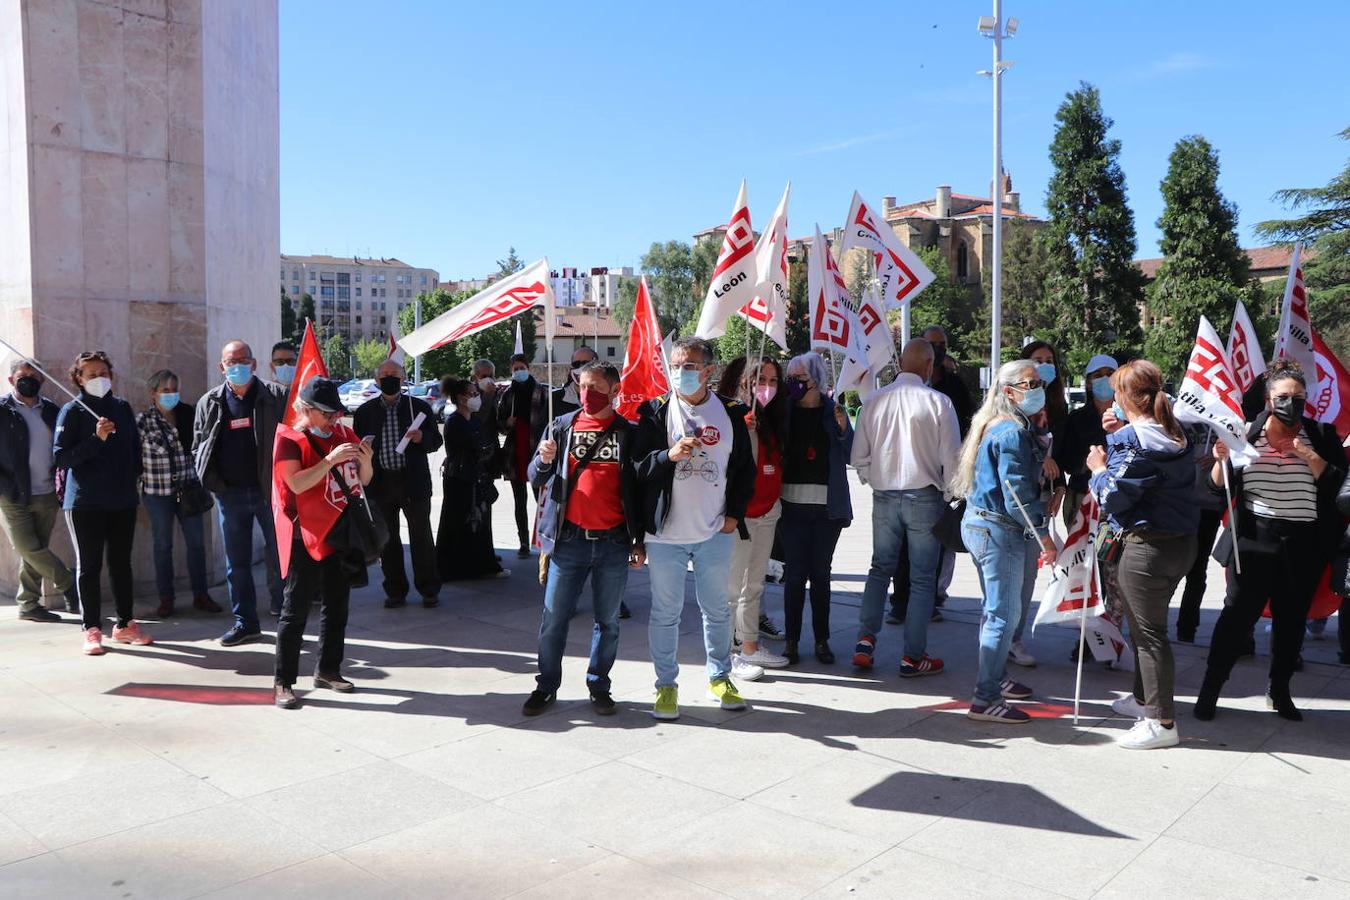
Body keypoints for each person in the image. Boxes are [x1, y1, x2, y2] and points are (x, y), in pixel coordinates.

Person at [1195, 359, 1348, 722]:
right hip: (1254, 539)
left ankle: (1279, 690)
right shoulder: (1245, 433)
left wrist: (1307, 455)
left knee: (1291, 621)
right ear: (1268, 399)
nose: (1290, 403)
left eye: (1297, 397)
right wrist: (1220, 458)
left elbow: (1339, 488)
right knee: (1235, 617)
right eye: (1283, 396)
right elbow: (1215, 486)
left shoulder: (1322, 436)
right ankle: (1211, 689)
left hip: (1303, 544)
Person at [634, 337, 755, 719]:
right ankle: (666, 686)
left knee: (717, 610)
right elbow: (636, 469)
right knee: (665, 614)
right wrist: (667, 456)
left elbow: (744, 470)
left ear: (708, 370)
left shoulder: (732, 413)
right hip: (665, 535)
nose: (680, 373)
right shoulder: (655, 412)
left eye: (688, 366)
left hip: (714, 532)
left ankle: (720, 677)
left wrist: (734, 515)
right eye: (675, 366)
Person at [1086, 360, 1198, 750]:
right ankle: (1142, 701)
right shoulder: (1176, 434)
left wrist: (1099, 468)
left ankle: (1161, 722)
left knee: (1149, 637)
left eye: (1116, 391)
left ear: (1126, 398)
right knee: (1144, 630)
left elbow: (1111, 497)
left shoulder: (1134, 441)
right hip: (1179, 545)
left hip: (1146, 548)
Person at [522, 362, 644, 716]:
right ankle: (546, 686)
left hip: (613, 543)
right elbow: (534, 475)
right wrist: (544, 460)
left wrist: (639, 541)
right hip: (569, 542)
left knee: (608, 621)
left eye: (595, 387)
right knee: (553, 619)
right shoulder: (562, 426)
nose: (587, 393)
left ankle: (599, 685)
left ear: (615, 390)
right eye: (583, 386)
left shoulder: (628, 433)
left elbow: (639, 490)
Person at [951, 359, 1054, 723]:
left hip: (982, 525)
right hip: (999, 531)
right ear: (1009, 392)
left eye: (1039, 382)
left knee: (994, 610)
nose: (1037, 388)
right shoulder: (1010, 431)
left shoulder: (996, 425)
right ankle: (986, 698)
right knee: (1002, 616)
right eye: (1029, 383)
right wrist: (1044, 537)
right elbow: (1016, 495)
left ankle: (994, 679)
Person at [852, 340, 958, 676]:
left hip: (885, 496)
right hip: (924, 496)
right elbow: (951, 459)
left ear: (899, 363)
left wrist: (875, 480)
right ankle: (913, 655)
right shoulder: (939, 402)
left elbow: (858, 457)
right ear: (929, 366)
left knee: (880, 568)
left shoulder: (873, 401)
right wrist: (947, 494)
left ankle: (865, 641)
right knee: (923, 579)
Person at [271, 377, 374, 709]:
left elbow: (362, 481)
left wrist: (366, 460)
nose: (335, 419)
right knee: (295, 608)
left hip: (339, 531)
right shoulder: (290, 439)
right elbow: (297, 484)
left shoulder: (345, 434)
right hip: (306, 534)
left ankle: (328, 670)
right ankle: (283, 682)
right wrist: (329, 461)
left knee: (337, 605)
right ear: (306, 410)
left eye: (338, 413)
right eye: (327, 414)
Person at [53, 351, 150, 655]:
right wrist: (96, 440)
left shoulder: (121, 408)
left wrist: (131, 480)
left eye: (103, 372)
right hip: (85, 502)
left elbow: (135, 451)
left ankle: (124, 624)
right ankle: (91, 628)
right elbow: (61, 457)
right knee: (89, 566)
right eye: (91, 374)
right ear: (78, 379)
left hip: (121, 500)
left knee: (121, 563)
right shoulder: (72, 411)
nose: (99, 378)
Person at [193, 340, 288, 644]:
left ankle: (286, 612)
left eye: (243, 360)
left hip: (268, 492)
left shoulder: (276, 397)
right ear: (222, 367)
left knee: (280, 555)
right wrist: (213, 481)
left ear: (254, 363)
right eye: (231, 362)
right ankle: (245, 621)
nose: (237, 367)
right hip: (230, 495)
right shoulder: (209, 402)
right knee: (237, 563)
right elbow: (199, 445)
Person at [889, 327, 974, 627]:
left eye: (942, 344)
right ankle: (900, 602)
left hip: (940, 482)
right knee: (902, 550)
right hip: (904, 480)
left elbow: (966, 432)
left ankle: (930, 601)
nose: (937, 350)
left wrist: (956, 484)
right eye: (932, 345)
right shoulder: (896, 390)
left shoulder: (954, 387)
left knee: (935, 548)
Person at [776, 352, 854, 665]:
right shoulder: (784, 411)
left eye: (801, 379)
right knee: (794, 574)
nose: (794, 384)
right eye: (790, 378)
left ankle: (822, 640)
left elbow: (852, 453)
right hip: (791, 506)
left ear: (816, 380)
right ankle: (791, 640)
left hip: (827, 509)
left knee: (821, 574)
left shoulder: (833, 410)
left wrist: (844, 429)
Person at [1053, 355, 1129, 661]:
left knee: (1115, 578)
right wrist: (1091, 463)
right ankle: (1087, 640)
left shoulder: (1130, 417)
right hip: (1083, 504)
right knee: (1086, 573)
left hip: (1116, 511)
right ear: (1087, 382)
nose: (1103, 379)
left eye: (1109, 374)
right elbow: (1063, 461)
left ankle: (1110, 638)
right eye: (1096, 375)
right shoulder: (1075, 420)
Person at [718, 356, 789, 677]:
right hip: (739, 517)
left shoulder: (771, 418)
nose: (768, 388)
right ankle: (726, 653)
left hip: (767, 512)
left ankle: (749, 645)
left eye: (774, 382)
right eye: (761, 380)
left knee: (755, 585)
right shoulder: (729, 415)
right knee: (731, 589)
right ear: (745, 381)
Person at [354, 359, 443, 609]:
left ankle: (428, 589)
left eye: (394, 374)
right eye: (384, 375)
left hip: (413, 482)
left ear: (404, 378)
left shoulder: (420, 407)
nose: (389, 378)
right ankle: (395, 591)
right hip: (381, 484)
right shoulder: (365, 412)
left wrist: (422, 437)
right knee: (387, 540)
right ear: (376, 380)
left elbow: (436, 442)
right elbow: (357, 446)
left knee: (421, 537)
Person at [136, 369, 218, 619]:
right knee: (163, 546)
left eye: (174, 389)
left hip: (189, 489)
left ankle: (201, 595)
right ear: (153, 393)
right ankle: (166, 599)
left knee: (196, 544)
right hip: (157, 492)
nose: (171, 395)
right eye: (165, 390)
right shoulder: (143, 421)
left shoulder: (188, 414)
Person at [0, 358, 77, 621]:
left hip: (47, 491)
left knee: (37, 549)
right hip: (12, 493)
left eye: (35, 375)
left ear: (43, 379)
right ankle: (67, 581)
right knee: (27, 548)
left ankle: (29, 605)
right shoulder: (1, 409)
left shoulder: (53, 411)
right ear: (11, 379)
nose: (29, 379)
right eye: (23, 375)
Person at [438, 378, 508, 580]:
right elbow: (467, 448)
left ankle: (482, 565)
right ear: (460, 398)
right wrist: (482, 451)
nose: (476, 397)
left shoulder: (474, 419)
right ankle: (452, 568)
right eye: (473, 393)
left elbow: (483, 445)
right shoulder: (454, 421)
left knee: (480, 522)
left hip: (476, 477)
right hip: (459, 479)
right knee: (458, 522)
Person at [1173, 422, 1226, 643]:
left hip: (1208, 505)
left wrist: (1217, 459)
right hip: (1179, 504)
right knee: (1171, 567)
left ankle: (1187, 628)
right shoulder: (1178, 417)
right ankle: (1156, 624)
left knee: (1197, 570)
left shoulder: (1222, 421)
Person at [498, 354, 548, 559]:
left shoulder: (542, 392)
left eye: (521, 367)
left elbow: (550, 420)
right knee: (519, 502)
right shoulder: (507, 394)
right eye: (515, 368)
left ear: (528, 368)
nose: (518, 371)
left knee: (542, 500)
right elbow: (499, 424)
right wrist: (506, 424)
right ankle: (524, 542)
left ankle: (545, 539)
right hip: (514, 452)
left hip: (537, 450)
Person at [552, 345, 599, 416]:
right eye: (576, 364)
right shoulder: (554, 399)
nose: (581, 367)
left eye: (586, 363)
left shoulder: (606, 397)